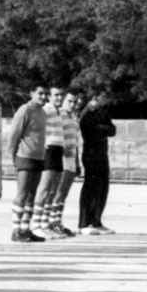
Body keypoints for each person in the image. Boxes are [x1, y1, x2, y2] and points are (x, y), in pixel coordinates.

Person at [6, 84, 49, 243]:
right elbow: (14, 134)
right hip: (25, 156)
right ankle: (16, 230)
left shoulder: (43, 112)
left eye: (45, 94)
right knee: (22, 194)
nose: (43, 97)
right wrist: (12, 156)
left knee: (32, 196)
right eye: (40, 93)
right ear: (31, 93)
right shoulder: (25, 110)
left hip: (39, 158)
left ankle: (25, 229)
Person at [78, 91, 116, 235]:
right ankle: (84, 222)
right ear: (94, 98)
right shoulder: (87, 113)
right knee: (90, 188)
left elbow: (112, 130)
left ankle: (96, 221)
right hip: (90, 154)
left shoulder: (103, 112)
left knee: (103, 188)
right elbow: (89, 130)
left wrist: (101, 128)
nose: (104, 101)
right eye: (101, 98)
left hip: (102, 154)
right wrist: (103, 128)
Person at [32, 86, 67, 240]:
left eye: (61, 95)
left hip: (58, 150)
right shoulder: (46, 109)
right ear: (49, 97)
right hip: (49, 150)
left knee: (53, 190)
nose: (59, 98)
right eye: (56, 95)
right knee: (44, 188)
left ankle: (45, 224)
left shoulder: (59, 112)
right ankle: (36, 224)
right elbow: (37, 127)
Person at [49, 90, 82, 237]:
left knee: (63, 194)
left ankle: (58, 221)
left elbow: (75, 142)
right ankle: (51, 222)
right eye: (69, 101)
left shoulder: (74, 117)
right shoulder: (59, 115)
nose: (72, 104)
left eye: (74, 102)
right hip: (61, 158)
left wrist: (77, 162)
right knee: (57, 192)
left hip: (71, 159)